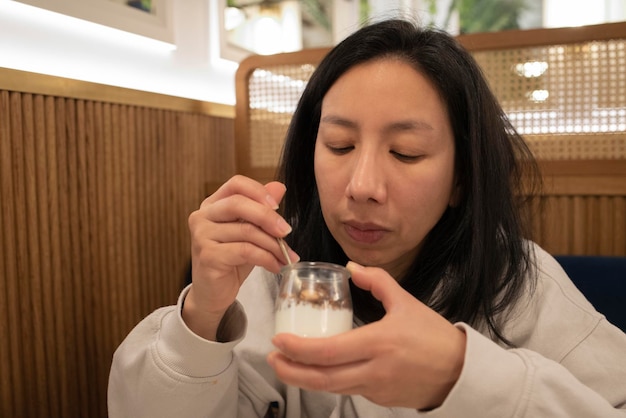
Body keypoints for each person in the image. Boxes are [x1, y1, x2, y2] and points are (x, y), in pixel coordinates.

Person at [108, 18, 626, 417]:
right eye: (339, 144)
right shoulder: (270, 278)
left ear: (461, 179)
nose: (362, 187)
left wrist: (459, 374)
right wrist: (201, 316)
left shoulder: (521, 286)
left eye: (405, 153)